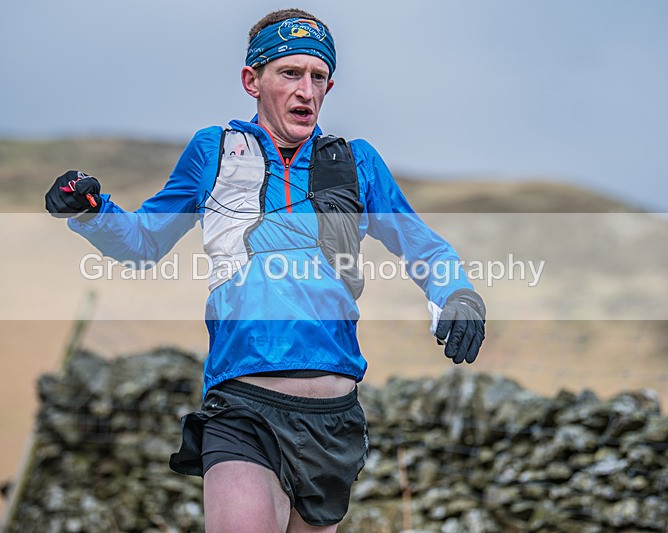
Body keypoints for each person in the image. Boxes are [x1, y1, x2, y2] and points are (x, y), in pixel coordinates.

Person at [45, 8, 486, 532]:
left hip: (334, 419)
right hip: (244, 409)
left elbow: (425, 249)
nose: (306, 90)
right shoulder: (213, 152)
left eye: (318, 77)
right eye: (290, 73)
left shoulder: (356, 162)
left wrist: (458, 294)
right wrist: (92, 212)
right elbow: (144, 242)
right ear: (252, 80)